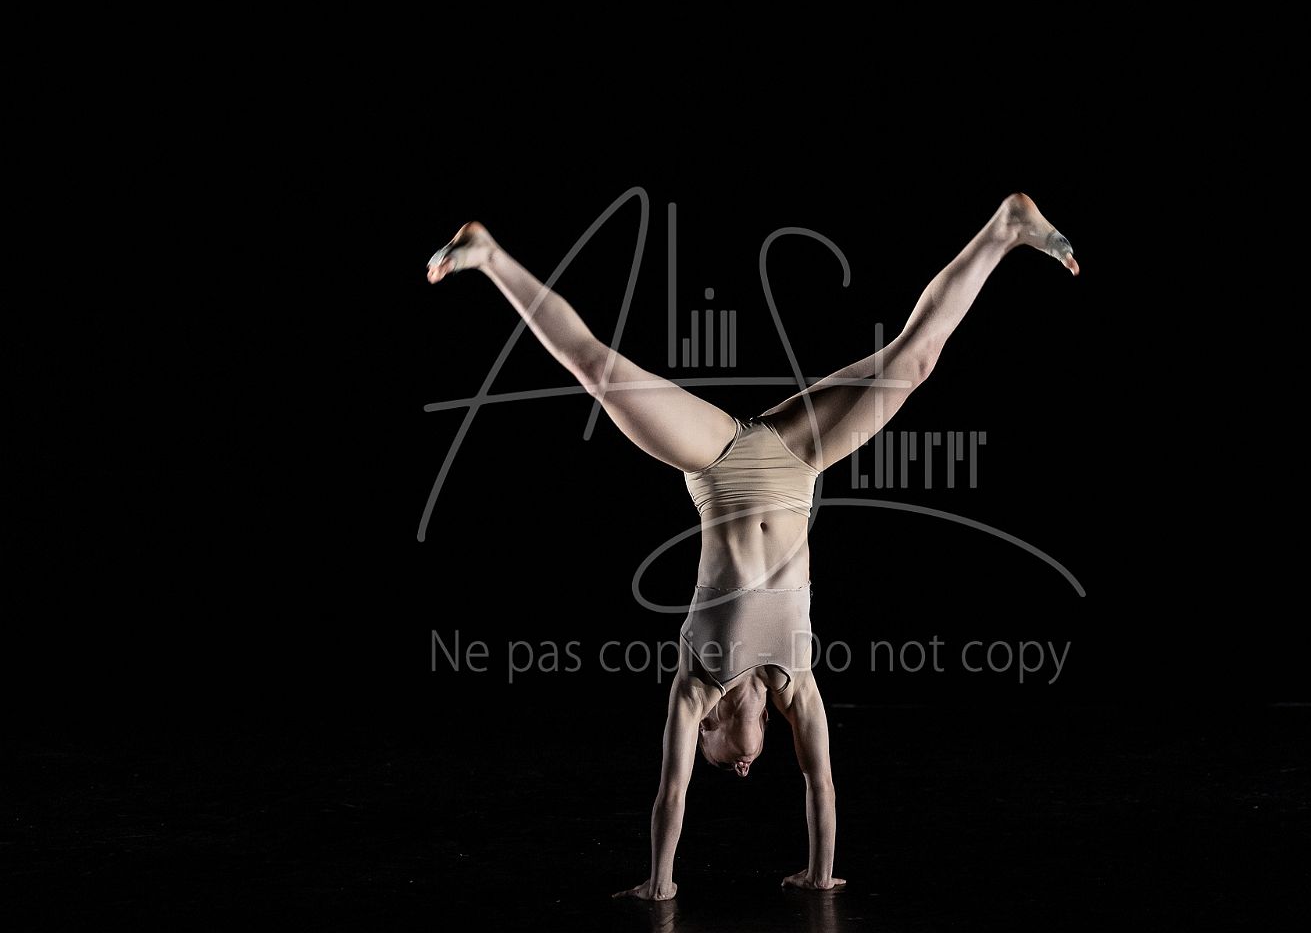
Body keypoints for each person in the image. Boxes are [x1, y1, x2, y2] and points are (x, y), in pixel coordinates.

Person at [425, 193, 1079, 901]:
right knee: (914, 361)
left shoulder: (693, 688)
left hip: (716, 462)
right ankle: (1006, 228)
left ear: (707, 733)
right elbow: (820, 783)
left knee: (598, 370)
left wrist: (660, 882)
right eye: (743, 769)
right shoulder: (795, 687)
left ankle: (489, 255)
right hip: (798, 463)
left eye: (722, 764)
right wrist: (820, 873)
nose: (739, 769)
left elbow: (671, 792)